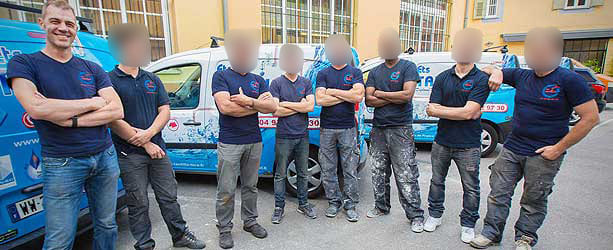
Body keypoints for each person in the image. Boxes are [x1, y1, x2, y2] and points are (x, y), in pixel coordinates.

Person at [470, 27, 600, 250]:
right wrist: (497, 72)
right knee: (498, 193)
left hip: (544, 153)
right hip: (513, 148)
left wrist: (558, 149)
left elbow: (590, 118)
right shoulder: (522, 75)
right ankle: (491, 232)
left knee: (534, 199)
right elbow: (485, 68)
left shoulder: (569, 80)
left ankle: (525, 237)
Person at [7, 1, 123, 249]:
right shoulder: (24, 64)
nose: (63, 28)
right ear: (42, 24)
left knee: (107, 225)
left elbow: (116, 109)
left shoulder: (91, 67)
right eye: (56, 21)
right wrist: (93, 101)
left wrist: (67, 118)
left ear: (76, 28)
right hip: (62, 163)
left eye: (69, 23)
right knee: (59, 239)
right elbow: (37, 108)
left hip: (105, 156)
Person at [106, 23, 205, 250]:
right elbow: (112, 119)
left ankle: (180, 236)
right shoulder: (110, 80)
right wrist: (146, 143)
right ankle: (144, 244)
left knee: (169, 196)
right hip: (129, 154)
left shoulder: (152, 79)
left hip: (158, 149)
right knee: (138, 202)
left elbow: (165, 110)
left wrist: (150, 135)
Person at [424, 28, 494, 243]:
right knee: (437, 181)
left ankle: (468, 224)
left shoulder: (482, 79)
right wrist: (464, 112)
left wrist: (447, 111)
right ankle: (435, 215)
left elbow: (470, 112)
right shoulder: (442, 77)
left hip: (469, 144)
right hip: (442, 141)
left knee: (470, 187)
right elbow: (431, 109)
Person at [211, 29, 278, 249]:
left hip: (253, 140)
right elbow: (226, 108)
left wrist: (247, 101)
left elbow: (273, 107)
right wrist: (256, 104)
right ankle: (225, 229)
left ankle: (250, 222)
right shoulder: (221, 76)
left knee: (251, 186)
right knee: (226, 189)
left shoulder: (258, 80)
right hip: (230, 142)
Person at [364, 28, 424, 232]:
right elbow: (368, 100)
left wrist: (380, 93)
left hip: (401, 129)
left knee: (406, 173)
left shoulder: (408, 67)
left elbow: (407, 96)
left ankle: (415, 215)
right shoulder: (375, 71)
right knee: (378, 171)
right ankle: (381, 207)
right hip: (379, 129)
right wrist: (392, 96)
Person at [315, 34, 365, 222]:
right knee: (328, 167)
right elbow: (320, 99)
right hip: (327, 128)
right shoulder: (323, 74)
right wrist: (347, 94)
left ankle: (350, 205)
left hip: (347, 128)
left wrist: (333, 92)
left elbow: (357, 97)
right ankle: (333, 202)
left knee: (349, 168)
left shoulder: (355, 72)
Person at [269, 44, 316, 224]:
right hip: (284, 136)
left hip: (302, 136)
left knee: (303, 173)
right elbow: (276, 111)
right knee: (280, 174)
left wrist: (286, 104)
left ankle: (303, 204)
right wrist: (299, 105)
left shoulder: (306, 83)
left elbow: (310, 107)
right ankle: (279, 208)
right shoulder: (277, 83)